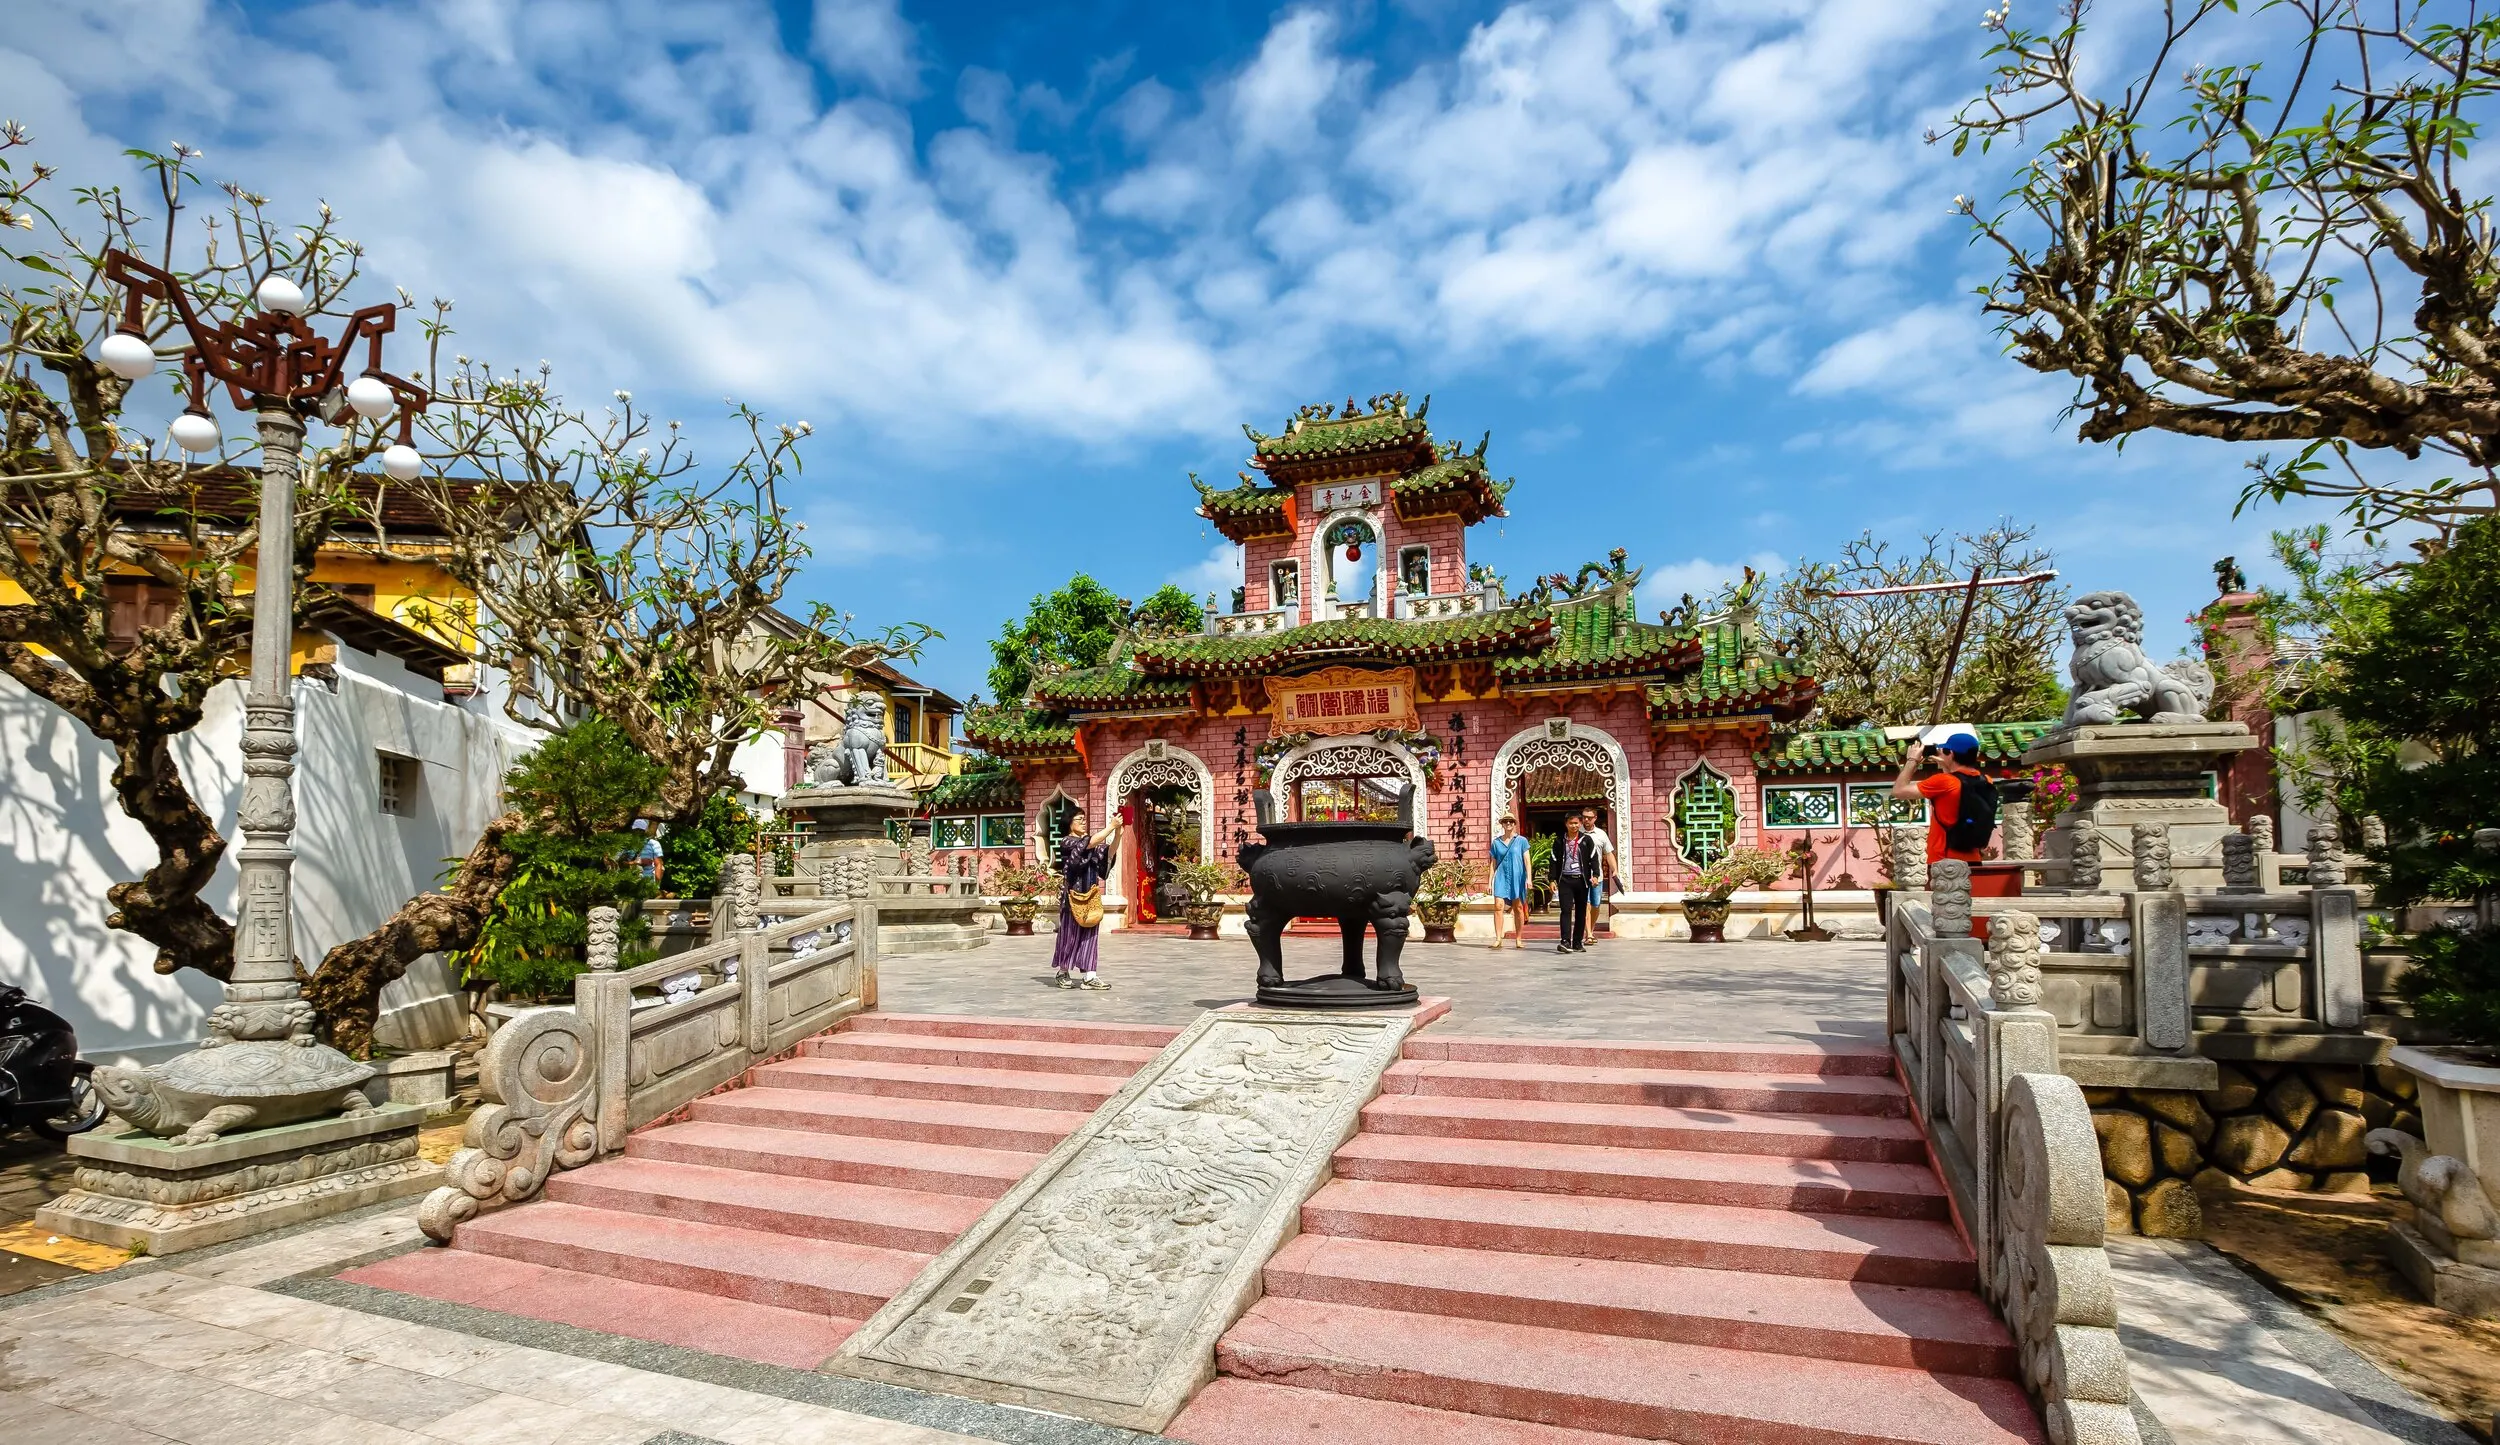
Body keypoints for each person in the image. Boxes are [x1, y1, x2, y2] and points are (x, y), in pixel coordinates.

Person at [1890, 731, 2011, 932]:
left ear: (1951, 753)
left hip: (1944, 860)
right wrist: (1947, 766)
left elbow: (1899, 790)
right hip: (1972, 857)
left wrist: (1912, 760)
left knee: (1946, 918)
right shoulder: (1986, 780)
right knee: (1966, 915)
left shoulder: (1943, 782)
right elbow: (1960, 790)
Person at [1051, 803, 1126, 989]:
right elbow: (1088, 844)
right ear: (1069, 823)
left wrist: (1118, 834)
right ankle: (1063, 971)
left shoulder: (1088, 842)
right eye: (1080, 819)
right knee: (1069, 936)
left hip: (1091, 897)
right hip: (1072, 898)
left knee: (1090, 936)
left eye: (1085, 819)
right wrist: (1111, 826)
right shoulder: (1066, 842)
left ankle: (1089, 976)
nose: (1084, 822)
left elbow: (1107, 853)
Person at [1554, 814, 1600, 954]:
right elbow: (1554, 860)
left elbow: (1594, 859)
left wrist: (1596, 875)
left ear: (1580, 824)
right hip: (1565, 880)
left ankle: (1578, 942)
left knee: (1581, 912)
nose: (1573, 826)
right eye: (1571, 823)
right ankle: (1565, 941)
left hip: (1582, 880)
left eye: (1576, 823)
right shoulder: (1559, 840)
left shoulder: (1586, 840)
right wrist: (1552, 879)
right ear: (1566, 824)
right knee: (1565, 910)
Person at [1487, 814, 1530, 950]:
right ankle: (1498, 938)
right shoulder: (1496, 843)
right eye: (1505, 821)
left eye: (1511, 821)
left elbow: (1527, 861)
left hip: (1517, 877)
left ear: (1514, 823)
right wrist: (1489, 882)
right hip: (1501, 877)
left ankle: (1518, 938)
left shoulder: (1521, 841)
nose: (1508, 823)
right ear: (1502, 824)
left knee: (1518, 907)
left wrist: (1529, 878)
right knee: (1498, 906)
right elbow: (1493, 864)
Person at [1578, 806, 1622, 937]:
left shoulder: (1601, 834)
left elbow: (1608, 853)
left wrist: (1615, 870)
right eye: (1584, 817)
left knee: (1596, 904)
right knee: (1586, 904)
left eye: (1589, 818)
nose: (1586, 820)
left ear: (1595, 818)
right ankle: (1589, 934)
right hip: (1581, 876)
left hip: (1598, 876)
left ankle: (1590, 929)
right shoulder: (1577, 833)